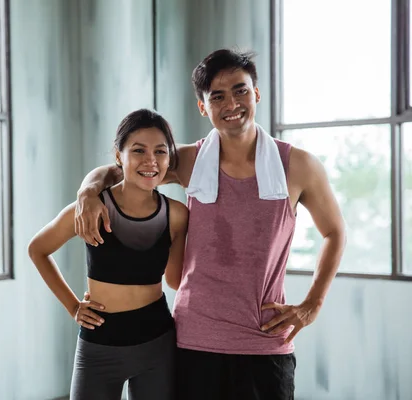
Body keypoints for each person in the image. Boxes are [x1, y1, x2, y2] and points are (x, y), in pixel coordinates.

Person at [74, 49, 346, 399]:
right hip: (194, 341)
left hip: (263, 343)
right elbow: (119, 169)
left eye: (240, 90)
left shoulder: (298, 166)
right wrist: (87, 191)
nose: (231, 103)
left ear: (257, 94)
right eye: (217, 96)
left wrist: (312, 305)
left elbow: (334, 232)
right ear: (204, 107)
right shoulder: (189, 160)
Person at [28, 108, 189, 400]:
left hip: (157, 342)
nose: (151, 160)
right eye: (138, 150)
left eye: (160, 151)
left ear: (169, 158)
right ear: (119, 156)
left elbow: (175, 280)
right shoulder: (93, 207)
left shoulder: (177, 215)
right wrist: (73, 306)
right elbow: (38, 249)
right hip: (99, 345)